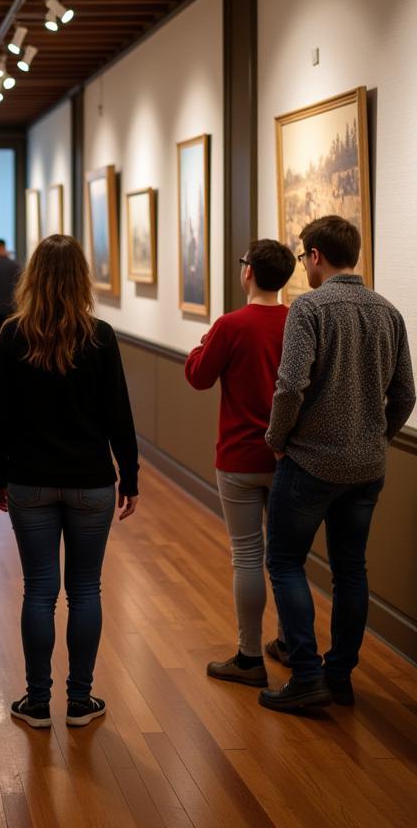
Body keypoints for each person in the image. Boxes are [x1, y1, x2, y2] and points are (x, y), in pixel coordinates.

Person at [262, 216, 414, 712]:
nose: (305, 265)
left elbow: (289, 387)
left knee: (286, 561)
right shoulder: (389, 312)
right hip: (367, 469)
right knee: (351, 569)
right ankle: (339, 675)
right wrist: (378, 438)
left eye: (305, 257)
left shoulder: (309, 307)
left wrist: (277, 438)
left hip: (310, 463)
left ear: (317, 257)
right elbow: (406, 393)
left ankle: (307, 676)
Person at [0, 235, 139, 731]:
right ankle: (79, 701)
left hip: (30, 479)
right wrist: (129, 476)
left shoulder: (13, 335)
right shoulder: (100, 335)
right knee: (85, 589)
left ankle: (36, 702)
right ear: (82, 279)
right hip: (90, 480)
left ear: (32, 277)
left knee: (39, 590)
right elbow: (119, 412)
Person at [184, 239, 296, 686]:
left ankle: (250, 656)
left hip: (238, 456)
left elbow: (198, 376)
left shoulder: (230, 325)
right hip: (288, 456)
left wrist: (202, 345)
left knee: (247, 555)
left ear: (248, 272)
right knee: (287, 558)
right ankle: (291, 642)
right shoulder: (298, 321)